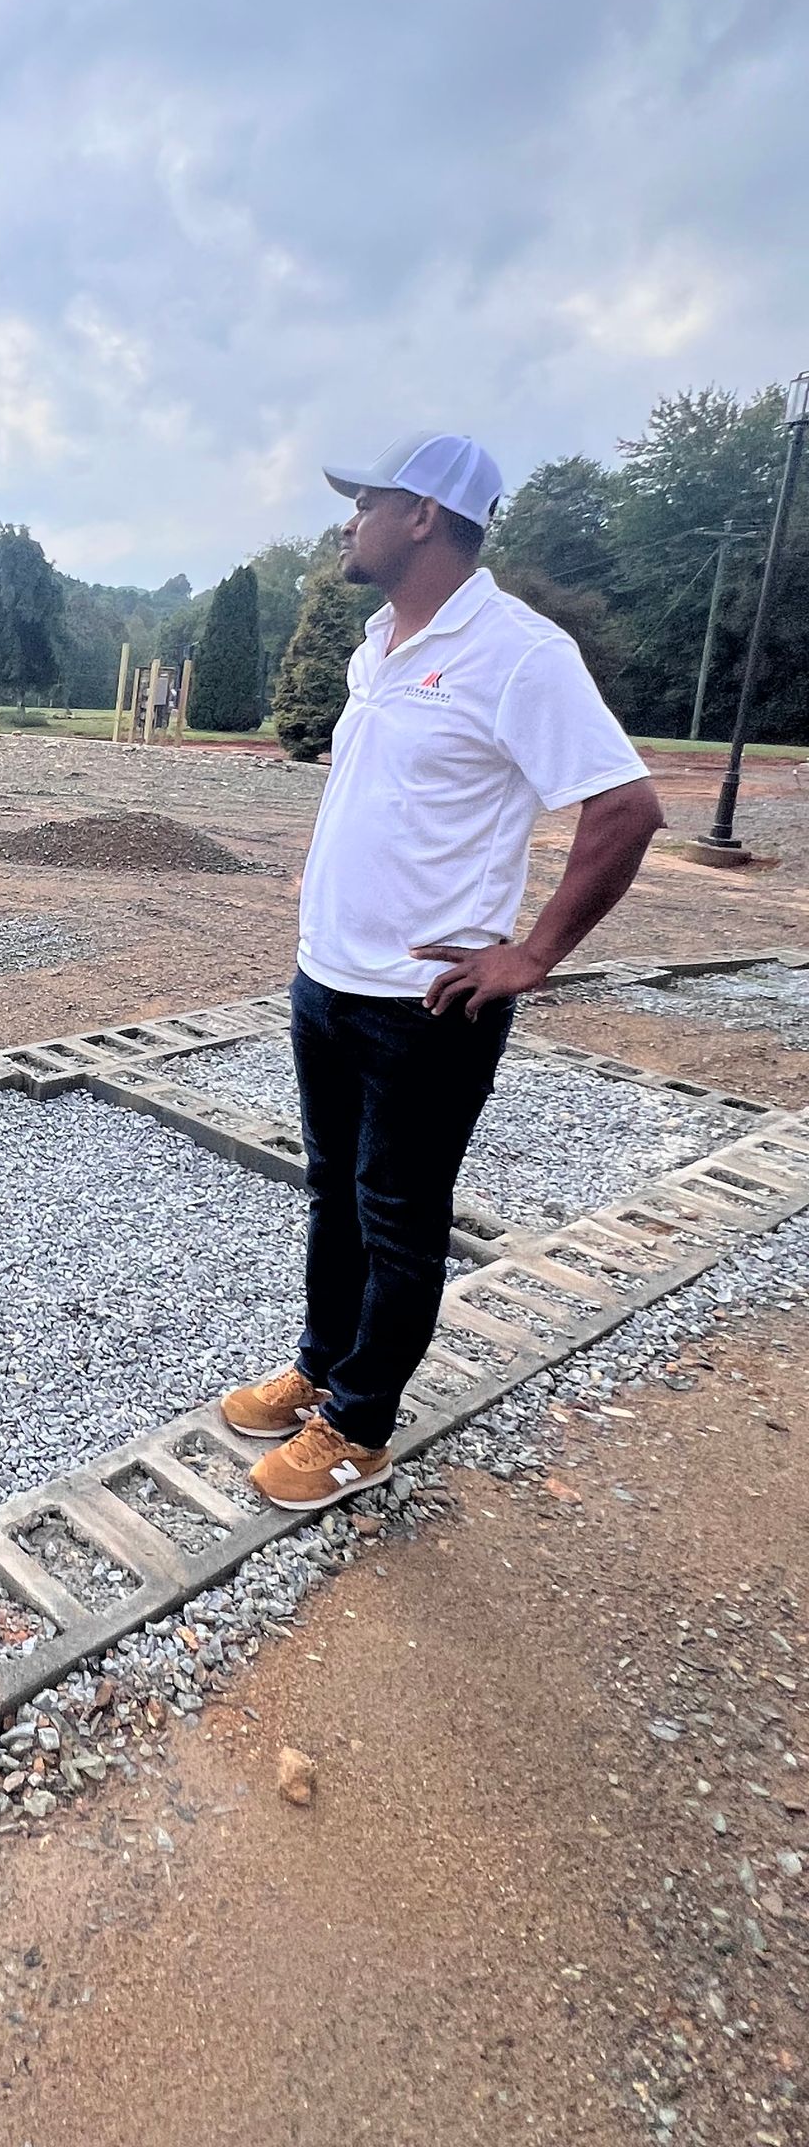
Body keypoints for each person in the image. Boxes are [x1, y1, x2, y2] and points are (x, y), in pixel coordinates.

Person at [223, 432, 665, 1509]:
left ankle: (361, 1425)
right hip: (327, 981)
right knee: (334, 1190)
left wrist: (534, 951)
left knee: (398, 1214)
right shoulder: (379, 640)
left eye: (364, 499)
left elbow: (626, 806)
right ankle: (323, 1367)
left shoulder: (518, 651)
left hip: (424, 1008)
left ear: (423, 514)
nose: (347, 520)